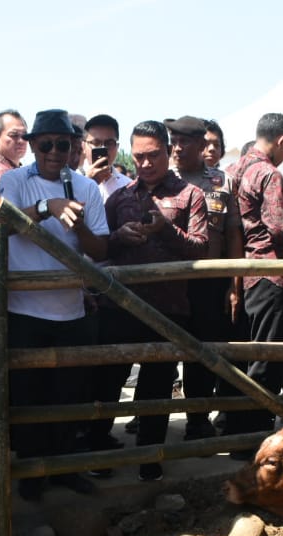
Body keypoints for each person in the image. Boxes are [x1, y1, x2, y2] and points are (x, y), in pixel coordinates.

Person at [0, 108, 108, 500]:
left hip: (71, 310)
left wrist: (79, 227)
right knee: (28, 398)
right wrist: (48, 209)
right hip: (25, 311)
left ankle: (65, 471)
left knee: (70, 396)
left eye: (63, 144)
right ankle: (32, 473)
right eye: (46, 144)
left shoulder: (87, 188)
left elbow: (101, 247)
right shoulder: (13, 180)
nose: (54, 151)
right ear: (32, 145)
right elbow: (1, 224)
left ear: (74, 147)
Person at [96, 120, 207, 482]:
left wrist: (167, 230)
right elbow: (101, 248)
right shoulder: (119, 197)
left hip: (168, 306)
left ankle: (150, 454)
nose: (145, 164)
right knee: (109, 377)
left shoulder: (191, 196)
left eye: (153, 155)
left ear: (167, 150)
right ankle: (99, 450)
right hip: (121, 305)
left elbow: (200, 248)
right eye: (139, 156)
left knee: (157, 383)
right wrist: (119, 237)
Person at [168, 115, 243, 440]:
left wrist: (234, 284)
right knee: (162, 353)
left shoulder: (221, 182)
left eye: (186, 141)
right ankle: (147, 419)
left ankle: (197, 420)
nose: (179, 147)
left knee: (202, 353)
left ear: (202, 145)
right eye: (175, 140)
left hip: (209, 281)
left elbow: (233, 236)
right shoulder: (162, 178)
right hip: (167, 281)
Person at [222, 113, 283, 438]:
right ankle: (251, 433)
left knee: (240, 354)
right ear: (282, 140)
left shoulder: (233, 169)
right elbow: (278, 227)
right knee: (265, 356)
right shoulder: (269, 173)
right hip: (268, 271)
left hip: (240, 273)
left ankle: (229, 423)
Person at [81, 114, 130, 202]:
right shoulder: (69, 181)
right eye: (96, 143)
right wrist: (88, 183)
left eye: (109, 143)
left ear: (117, 147)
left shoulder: (128, 187)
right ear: (84, 146)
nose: (103, 148)